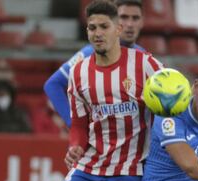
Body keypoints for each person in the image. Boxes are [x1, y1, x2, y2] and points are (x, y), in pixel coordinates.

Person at [54, 1, 163, 181]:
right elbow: (79, 124)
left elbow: (169, 108)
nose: (98, 33)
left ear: (118, 30)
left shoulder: (146, 65)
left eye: (104, 27)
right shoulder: (78, 72)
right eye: (92, 28)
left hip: (129, 171)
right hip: (88, 167)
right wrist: (75, 145)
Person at [43, 0, 144, 128]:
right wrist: (75, 126)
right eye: (124, 17)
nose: (130, 24)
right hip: (98, 142)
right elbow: (52, 85)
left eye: (135, 18)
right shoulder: (89, 53)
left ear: (142, 22)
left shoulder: (144, 56)